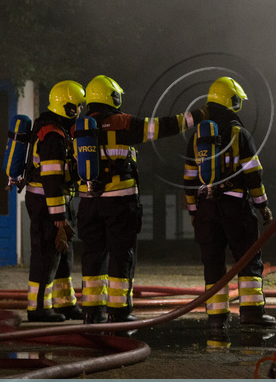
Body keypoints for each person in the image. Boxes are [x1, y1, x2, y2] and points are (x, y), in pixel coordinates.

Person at [75, 74, 208, 325]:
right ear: (112, 97)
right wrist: (197, 116)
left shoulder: (78, 128)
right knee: (121, 255)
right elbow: (162, 126)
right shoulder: (121, 122)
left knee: (92, 255)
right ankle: (119, 311)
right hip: (119, 202)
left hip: (88, 203)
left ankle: (91, 311)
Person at [184, 77, 275, 330]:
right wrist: (262, 205)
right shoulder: (239, 134)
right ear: (231, 101)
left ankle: (216, 317)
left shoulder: (196, 137)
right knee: (247, 258)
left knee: (212, 262)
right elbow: (253, 174)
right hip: (236, 206)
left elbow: (189, 179)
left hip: (205, 208)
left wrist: (194, 211)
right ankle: (252, 313)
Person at [23, 80, 85, 323]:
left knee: (62, 253)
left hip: (55, 201)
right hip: (46, 203)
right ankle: (38, 308)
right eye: (77, 106)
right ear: (68, 107)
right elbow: (51, 178)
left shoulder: (56, 130)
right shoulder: (52, 135)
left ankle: (65, 302)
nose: (80, 110)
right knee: (45, 255)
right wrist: (59, 218)